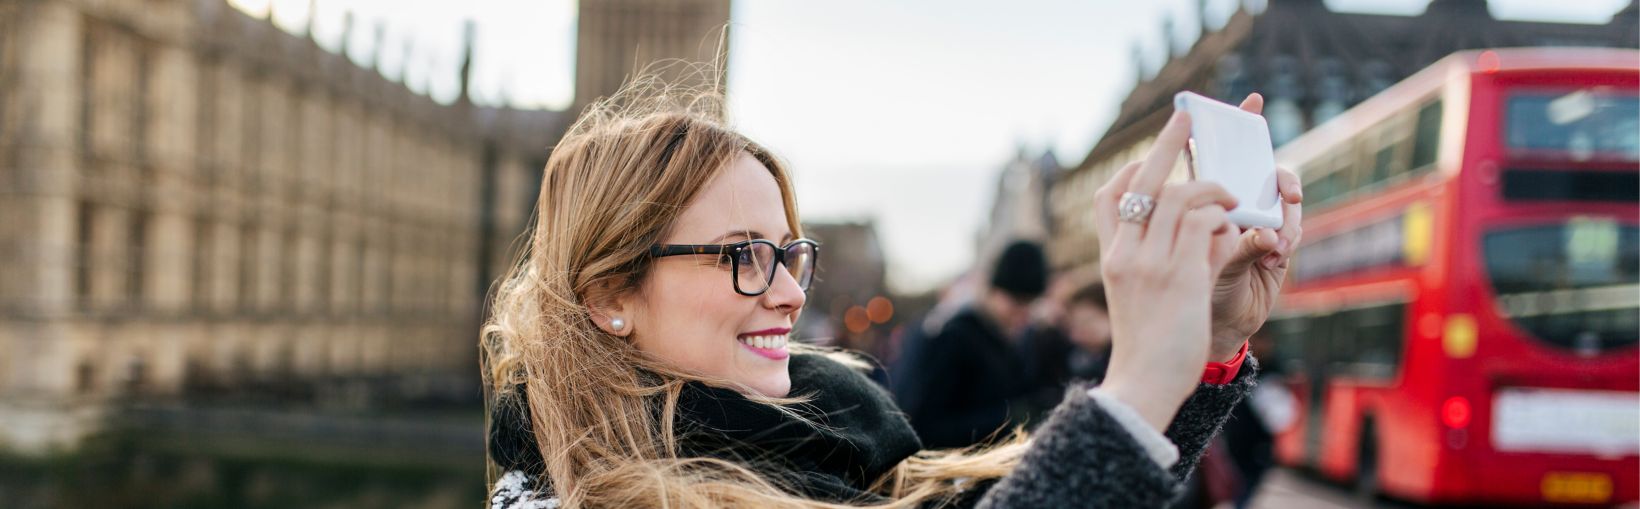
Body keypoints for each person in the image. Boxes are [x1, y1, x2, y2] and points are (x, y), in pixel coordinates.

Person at [482, 83, 1304, 508]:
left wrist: (1201, 347)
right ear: (607, 295)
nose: (786, 293)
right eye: (740, 256)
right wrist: (1134, 390)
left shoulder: (833, 438)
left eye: (787, 254)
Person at [889, 240, 1051, 448]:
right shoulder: (953, 337)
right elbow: (923, 425)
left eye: (1031, 304)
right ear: (992, 291)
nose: (1024, 314)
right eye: (1017, 301)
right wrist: (1008, 417)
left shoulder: (1011, 339)